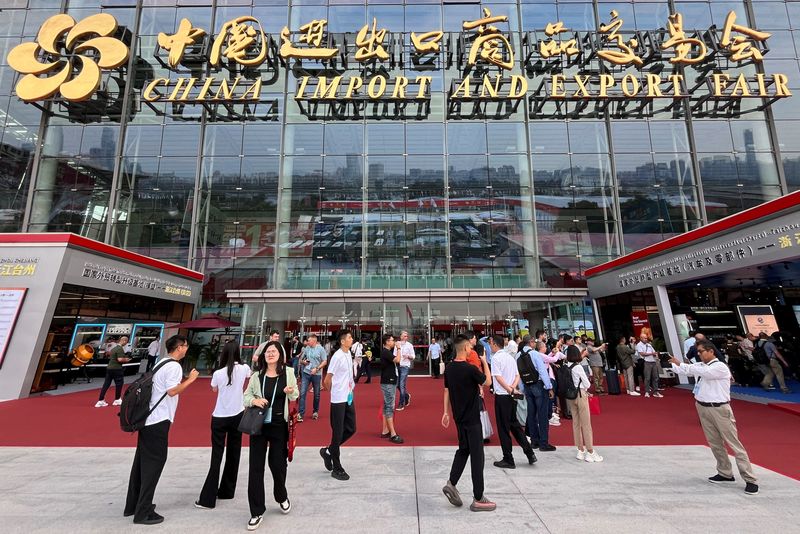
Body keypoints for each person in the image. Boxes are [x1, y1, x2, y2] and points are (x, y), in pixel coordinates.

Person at [124, 335, 199, 525]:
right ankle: (143, 511)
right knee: (154, 464)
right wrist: (191, 380)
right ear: (179, 348)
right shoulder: (173, 366)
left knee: (141, 463)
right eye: (185, 346)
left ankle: (134, 505)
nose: (186, 349)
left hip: (148, 419)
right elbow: (172, 391)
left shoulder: (161, 363)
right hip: (158, 420)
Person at [669, 342, 759, 495]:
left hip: (719, 408)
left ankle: (749, 479)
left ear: (711, 351)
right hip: (703, 406)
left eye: (701, 351)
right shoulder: (703, 366)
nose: (699, 354)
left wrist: (681, 364)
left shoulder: (720, 367)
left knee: (733, 443)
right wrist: (674, 364)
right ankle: (725, 472)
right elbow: (690, 371)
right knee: (714, 442)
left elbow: (702, 372)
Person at [243, 341, 299, 531]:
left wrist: (291, 392)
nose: (270, 354)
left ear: (280, 355)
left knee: (277, 464)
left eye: (274, 351)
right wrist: (255, 400)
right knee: (255, 468)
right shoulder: (256, 376)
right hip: (258, 425)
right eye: (267, 351)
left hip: (278, 425)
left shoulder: (288, 373)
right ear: (263, 355)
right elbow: (245, 397)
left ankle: (281, 495)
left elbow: (295, 395)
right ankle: (256, 511)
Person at [441, 336, 495, 512]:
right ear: (465, 348)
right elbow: (488, 382)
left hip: (459, 418)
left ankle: (452, 482)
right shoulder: (470, 369)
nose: (472, 349)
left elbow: (446, 391)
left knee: (463, 450)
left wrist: (445, 412)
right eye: (470, 347)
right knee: (477, 457)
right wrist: (485, 362)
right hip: (472, 419)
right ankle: (478, 497)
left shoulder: (449, 369)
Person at [196, 341, 251, 510]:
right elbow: (250, 376)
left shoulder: (218, 373)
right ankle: (227, 490)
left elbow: (214, 389)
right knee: (234, 453)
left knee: (216, 456)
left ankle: (208, 498)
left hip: (220, 416)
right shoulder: (244, 368)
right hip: (238, 414)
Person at [488, 335, 536, 468]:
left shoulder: (496, 358)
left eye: (491, 343)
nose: (490, 346)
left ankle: (508, 458)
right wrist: (513, 388)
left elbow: (497, 378)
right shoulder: (510, 357)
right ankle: (529, 452)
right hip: (512, 395)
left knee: (504, 428)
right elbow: (517, 375)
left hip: (503, 395)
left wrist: (509, 389)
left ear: (495, 344)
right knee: (514, 425)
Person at [321, 329, 357, 481]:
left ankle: (328, 450)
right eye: (349, 337)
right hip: (338, 400)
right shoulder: (337, 357)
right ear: (342, 341)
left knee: (351, 428)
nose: (351, 339)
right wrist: (334, 392)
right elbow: (327, 380)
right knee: (337, 432)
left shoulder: (348, 353)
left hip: (348, 397)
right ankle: (337, 467)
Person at [565, 345, 603, 463]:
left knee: (576, 423)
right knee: (586, 424)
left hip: (570, 396)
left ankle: (580, 450)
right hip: (580, 394)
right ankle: (590, 451)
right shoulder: (578, 367)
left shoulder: (565, 366)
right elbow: (587, 384)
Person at [525, 341, 556, 451]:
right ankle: (543, 443)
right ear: (531, 343)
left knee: (531, 414)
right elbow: (542, 371)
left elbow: (518, 373)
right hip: (538, 385)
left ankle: (534, 441)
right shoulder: (534, 354)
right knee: (542, 414)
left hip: (527, 386)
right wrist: (549, 386)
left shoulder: (519, 355)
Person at [379, 334, 404, 444]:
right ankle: (393, 433)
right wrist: (399, 348)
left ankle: (385, 430)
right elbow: (398, 360)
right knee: (390, 406)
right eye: (392, 340)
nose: (394, 342)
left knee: (387, 406)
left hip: (389, 381)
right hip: (388, 382)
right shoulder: (386, 352)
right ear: (387, 342)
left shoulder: (387, 352)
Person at [298, 333, 327, 422]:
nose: (307, 342)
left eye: (309, 341)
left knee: (317, 394)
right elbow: (301, 360)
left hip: (316, 374)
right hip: (306, 373)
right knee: (302, 393)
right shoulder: (307, 348)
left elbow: (325, 361)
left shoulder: (321, 349)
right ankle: (301, 413)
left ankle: (315, 411)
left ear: (314, 340)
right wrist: (304, 362)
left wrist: (317, 368)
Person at [95, 336, 131, 408]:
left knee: (106, 384)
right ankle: (117, 399)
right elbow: (120, 359)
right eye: (126, 342)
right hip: (117, 368)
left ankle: (100, 400)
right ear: (124, 341)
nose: (126, 343)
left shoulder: (114, 349)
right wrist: (126, 360)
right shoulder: (120, 349)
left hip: (109, 368)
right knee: (119, 384)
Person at [635, 333, 661, 398]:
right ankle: (647, 392)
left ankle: (656, 392)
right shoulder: (639, 345)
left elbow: (654, 352)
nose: (646, 339)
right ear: (641, 338)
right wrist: (652, 353)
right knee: (647, 378)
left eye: (646, 338)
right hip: (647, 362)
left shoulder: (649, 345)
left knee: (655, 377)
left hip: (653, 361)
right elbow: (642, 354)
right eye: (644, 338)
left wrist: (655, 355)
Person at [396, 330, 415, 410]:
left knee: (401, 384)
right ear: (400, 336)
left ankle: (401, 404)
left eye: (407, 336)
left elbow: (413, 356)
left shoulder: (409, 345)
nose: (405, 337)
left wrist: (408, 356)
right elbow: (394, 355)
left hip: (405, 366)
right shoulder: (397, 344)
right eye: (404, 336)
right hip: (397, 366)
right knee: (397, 385)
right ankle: (406, 395)